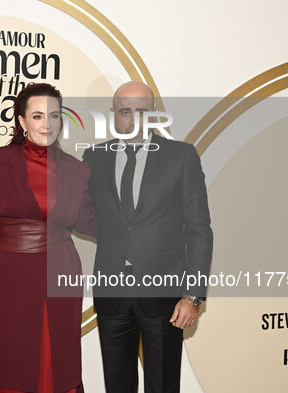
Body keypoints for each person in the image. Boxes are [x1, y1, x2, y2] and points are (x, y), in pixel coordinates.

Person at [82, 81, 213, 393]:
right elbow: (81, 214)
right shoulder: (93, 158)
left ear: (154, 114)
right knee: (117, 385)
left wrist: (193, 295)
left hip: (165, 296)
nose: (134, 120)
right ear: (114, 115)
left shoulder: (181, 156)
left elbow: (199, 229)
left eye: (142, 111)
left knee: (163, 385)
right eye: (125, 112)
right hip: (111, 292)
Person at [0, 83, 96, 393]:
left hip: (61, 270)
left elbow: (91, 222)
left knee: (60, 356)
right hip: (9, 275)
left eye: (54, 116)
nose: (47, 124)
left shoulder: (77, 169)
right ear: (22, 121)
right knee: (12, 356)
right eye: (38, 116)